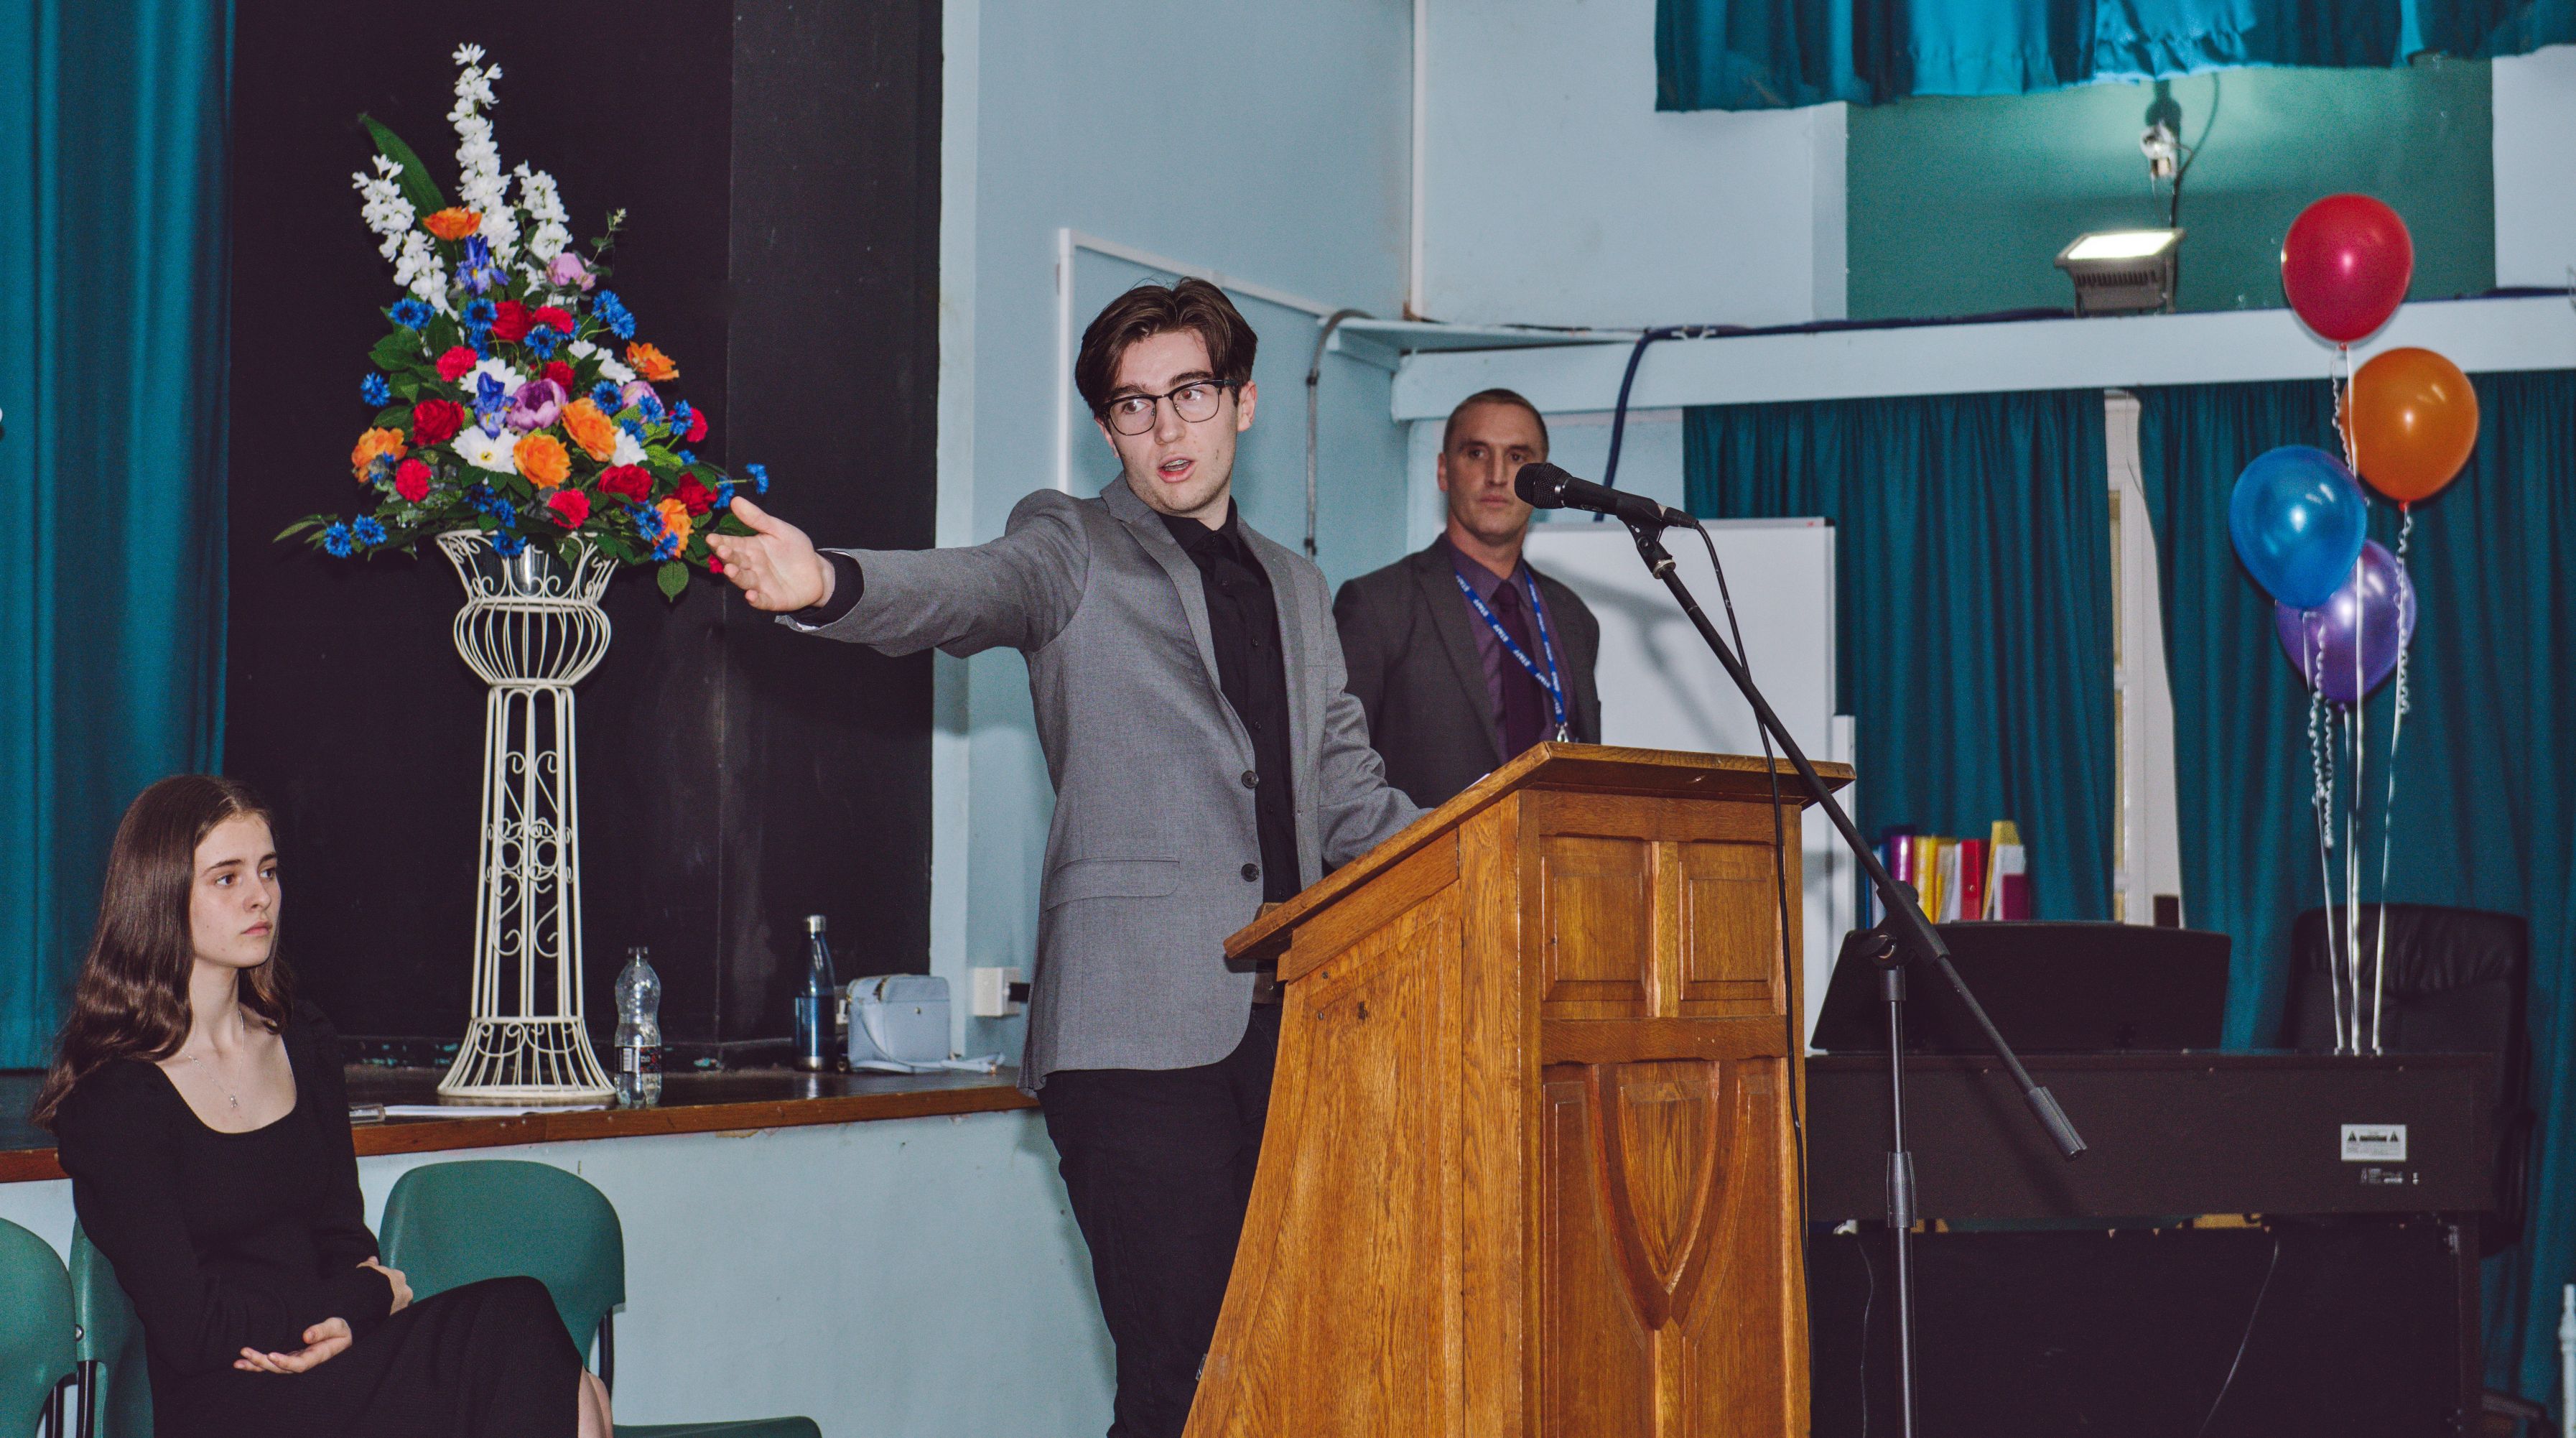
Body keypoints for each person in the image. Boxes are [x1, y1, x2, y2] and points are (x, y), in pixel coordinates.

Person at [707, 277, 1419, 1438]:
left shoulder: (1296, 585)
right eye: (1132, 407)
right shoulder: (1072, 543)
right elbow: (971, 589)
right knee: (1183, 1377)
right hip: (1135, 1037)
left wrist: (1490, 847)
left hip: (1294, 1033)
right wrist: (830, 582)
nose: (1164, 428)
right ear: (1107, 429)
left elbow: (1348, 799)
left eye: (1188, 393)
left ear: (1242, 403)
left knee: (1290, 1364)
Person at [32, 775, 608, 1438]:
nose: (261, 897)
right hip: (231, 1398)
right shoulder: (114, 1098)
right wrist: (360, 1300)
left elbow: (343, 1239)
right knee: (532, 1346)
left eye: (268, 871)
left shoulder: (303, 1042)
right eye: (227, 878)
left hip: (337, 1361)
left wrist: (345, 1321)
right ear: (160, 898)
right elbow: (193, 1327)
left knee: (545, 1353)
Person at [1334, 388, 1603, 807]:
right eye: (1477, 453)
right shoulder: (1377, 606)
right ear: (1444, 471)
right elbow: (1339, 783)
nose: (1497, 475)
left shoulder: (1572, 617)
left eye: (1518, 458)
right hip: (1432, 867)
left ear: (1542, 483)